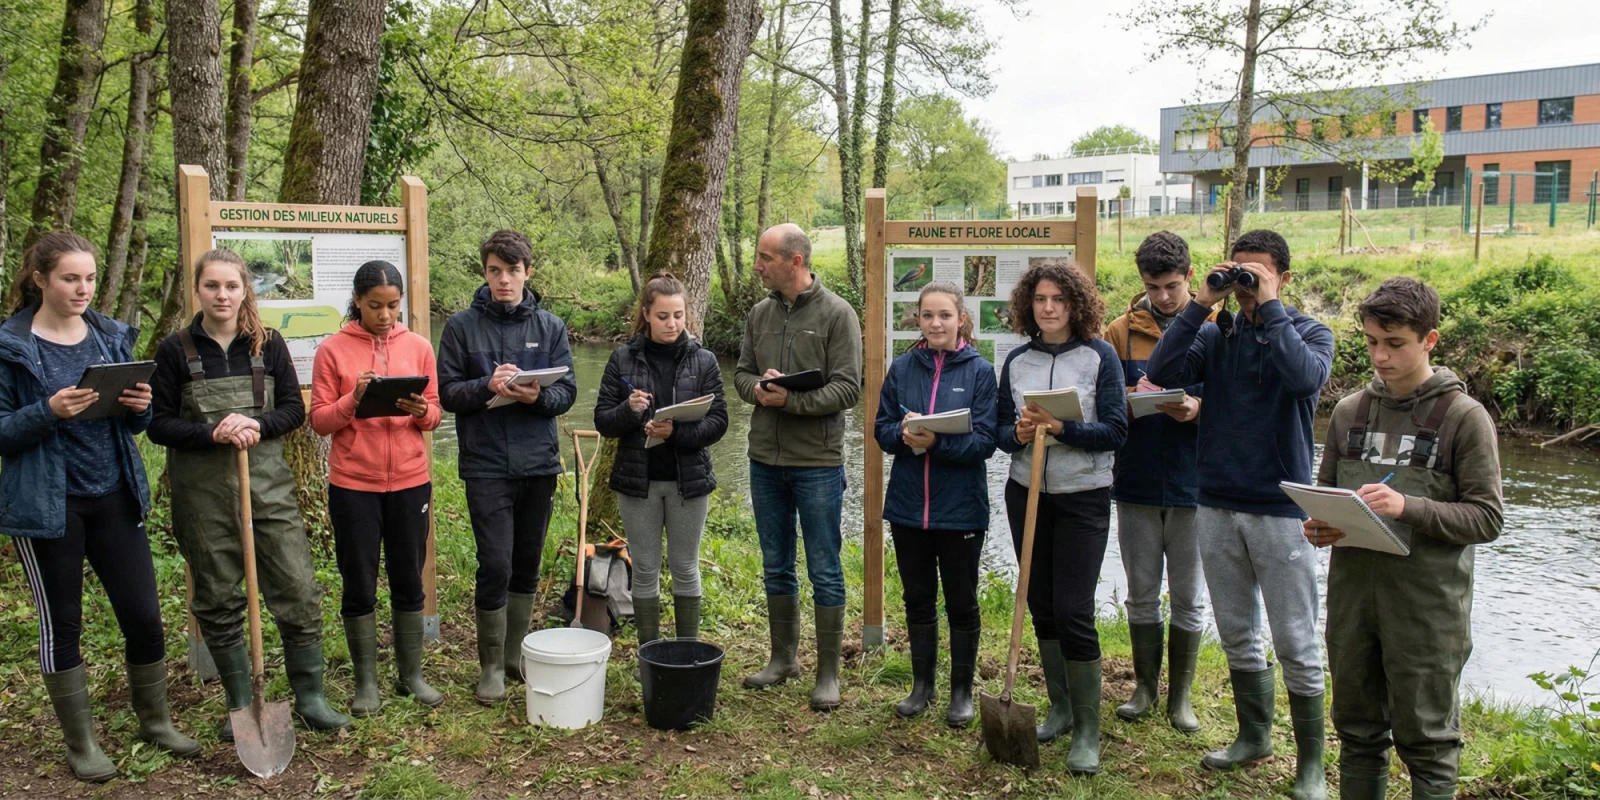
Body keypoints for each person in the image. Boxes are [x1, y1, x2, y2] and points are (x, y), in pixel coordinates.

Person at [0, 232, 198, 782]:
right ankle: (81, 742)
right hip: (47, 506)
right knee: (62, 622)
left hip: (114, 494)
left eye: (89, 277)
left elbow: (132, 423)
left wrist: (140, 405)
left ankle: (154, 721)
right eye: (69, 278)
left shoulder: (109, 336)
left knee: (143, 615)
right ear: (40, 279)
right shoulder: (11, 346)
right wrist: (48, 410)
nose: (83, 288)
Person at [1145, 229, 1334, 800]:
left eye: (1256, 274)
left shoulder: (1308, 333)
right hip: (1216, 500)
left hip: (1281, 507)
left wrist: (1269, 305)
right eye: (1239, 272)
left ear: (1284, 277)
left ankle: (1312, 766)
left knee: (1296, 639)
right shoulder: (1215, 334)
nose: (1245, 285)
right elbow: (1162, 370)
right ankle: (1255, 736)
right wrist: (1203, 302)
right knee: (1237, 633)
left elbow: (1304, 379)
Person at [1304, 278, 1503, 800]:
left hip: (1428, 610)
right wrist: (1318, 527)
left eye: (1395, 344)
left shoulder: (1465, 418)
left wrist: (1407, 507)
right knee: (1357, 730)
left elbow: (1486, 518)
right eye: (1371, 341)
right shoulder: (1349, 412)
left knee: (1428, 740)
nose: (1380, 356)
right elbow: (1325, 495)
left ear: (1429, 340)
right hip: (1352, 602)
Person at [149, 249, 351, 737]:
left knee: (299, 590)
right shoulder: (175, 350)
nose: (222, 295)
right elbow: (156, 424)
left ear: (245, 291)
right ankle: (241, 703)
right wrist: (211, 433)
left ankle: (311, 697)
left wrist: (255, 425)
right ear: (196, 290)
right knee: (217, 599)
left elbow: (292, 412)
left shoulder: (269, 344)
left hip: (268, 491)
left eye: (231, 286)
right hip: (203, 498)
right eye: (212, 286)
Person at [996, 260, 1126, 775]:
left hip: (1083, 496)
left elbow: (1116, 431)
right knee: (1043, 606)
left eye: (1058, 300)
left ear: (1076, 305)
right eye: (1040, 300)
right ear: (1029, 304)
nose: (1048, 308)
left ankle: (1089, 730)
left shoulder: (1100, 358)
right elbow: (1001, 434)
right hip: (1025, 492)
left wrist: (1062, 428)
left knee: (1073, 609)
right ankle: (1061, 708)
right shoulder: (1017, 361)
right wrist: (1022, 434)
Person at [437, 230, 576, 705]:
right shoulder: (460, 327)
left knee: (526, 562)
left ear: (527, 273)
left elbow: (567, 393)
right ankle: (490, 666)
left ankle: (516, 655)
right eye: (495, 271)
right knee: (494, 562)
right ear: (485, 273)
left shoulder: (551, 326)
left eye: (512, 271)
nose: (504, 280)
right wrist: (484, 385)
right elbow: (448, 394)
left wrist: (538, 396)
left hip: (538, 462)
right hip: (486, 463)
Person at [734, 223, 862, 711]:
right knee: (775, 564)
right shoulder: (758, 315)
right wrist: (760, 391)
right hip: (764, 458)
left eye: (765, 257)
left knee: (825, 569)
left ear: (794, 262)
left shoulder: (837, 314)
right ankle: (782, 658)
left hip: (818, 463)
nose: (758, 265)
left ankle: (827, 673)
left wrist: (791, 400)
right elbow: (742, 374)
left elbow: (849, 389)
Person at [310, 260, 444, 712]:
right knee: (359, 581)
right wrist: (355, 399)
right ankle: (366, 683)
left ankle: (411, 675)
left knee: (409, 576)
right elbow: (320, 420)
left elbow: (436, 414)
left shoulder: (419, 347)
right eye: (374, 306)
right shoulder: (333, 350)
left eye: (392, 306)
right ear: (357, 301)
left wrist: (420, 410)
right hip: (354, 484)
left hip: (410, 481)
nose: (385, 316)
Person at [872, 281, 997, 728]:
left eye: (945, 315)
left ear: (961, 318)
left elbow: (984, 443)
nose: (936, 323)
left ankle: (961, 692)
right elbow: (881, 429)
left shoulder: (980, 372)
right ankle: (921, 685)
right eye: (928, 316)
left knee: (962, 602)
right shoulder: (903, 367)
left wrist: (935, 443)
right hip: (908, 507)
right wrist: (904, 437)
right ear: (918, 320)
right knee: (917, 599)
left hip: (960, 508)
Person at [1102, 231, 1209, 733]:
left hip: (1196, 484)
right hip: (1137, 480)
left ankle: (1180, 697)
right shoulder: (1118, 332)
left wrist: (1197, 408)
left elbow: (1238, 407)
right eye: (1152, 287)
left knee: (1189, 594)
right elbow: (1100, 401)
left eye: (1171, 286)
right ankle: (1144, 687)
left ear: (1190, 275)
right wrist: (1127, 397)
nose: (1163, 297)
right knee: (1141, 590)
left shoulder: (1217, 327)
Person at [594, 272, 729, 660]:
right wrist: (629, 410)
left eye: (679, 315)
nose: (672, 324)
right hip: (639, 481)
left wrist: (675, 434)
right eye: (664, 316)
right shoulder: (623, 358)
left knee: (686, 567)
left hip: (689, 481)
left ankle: (687, 653)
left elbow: (718, 422)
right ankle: (650, 656)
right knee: (647, 568)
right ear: (647, 316)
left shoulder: (703, 360)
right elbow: (604, 420)